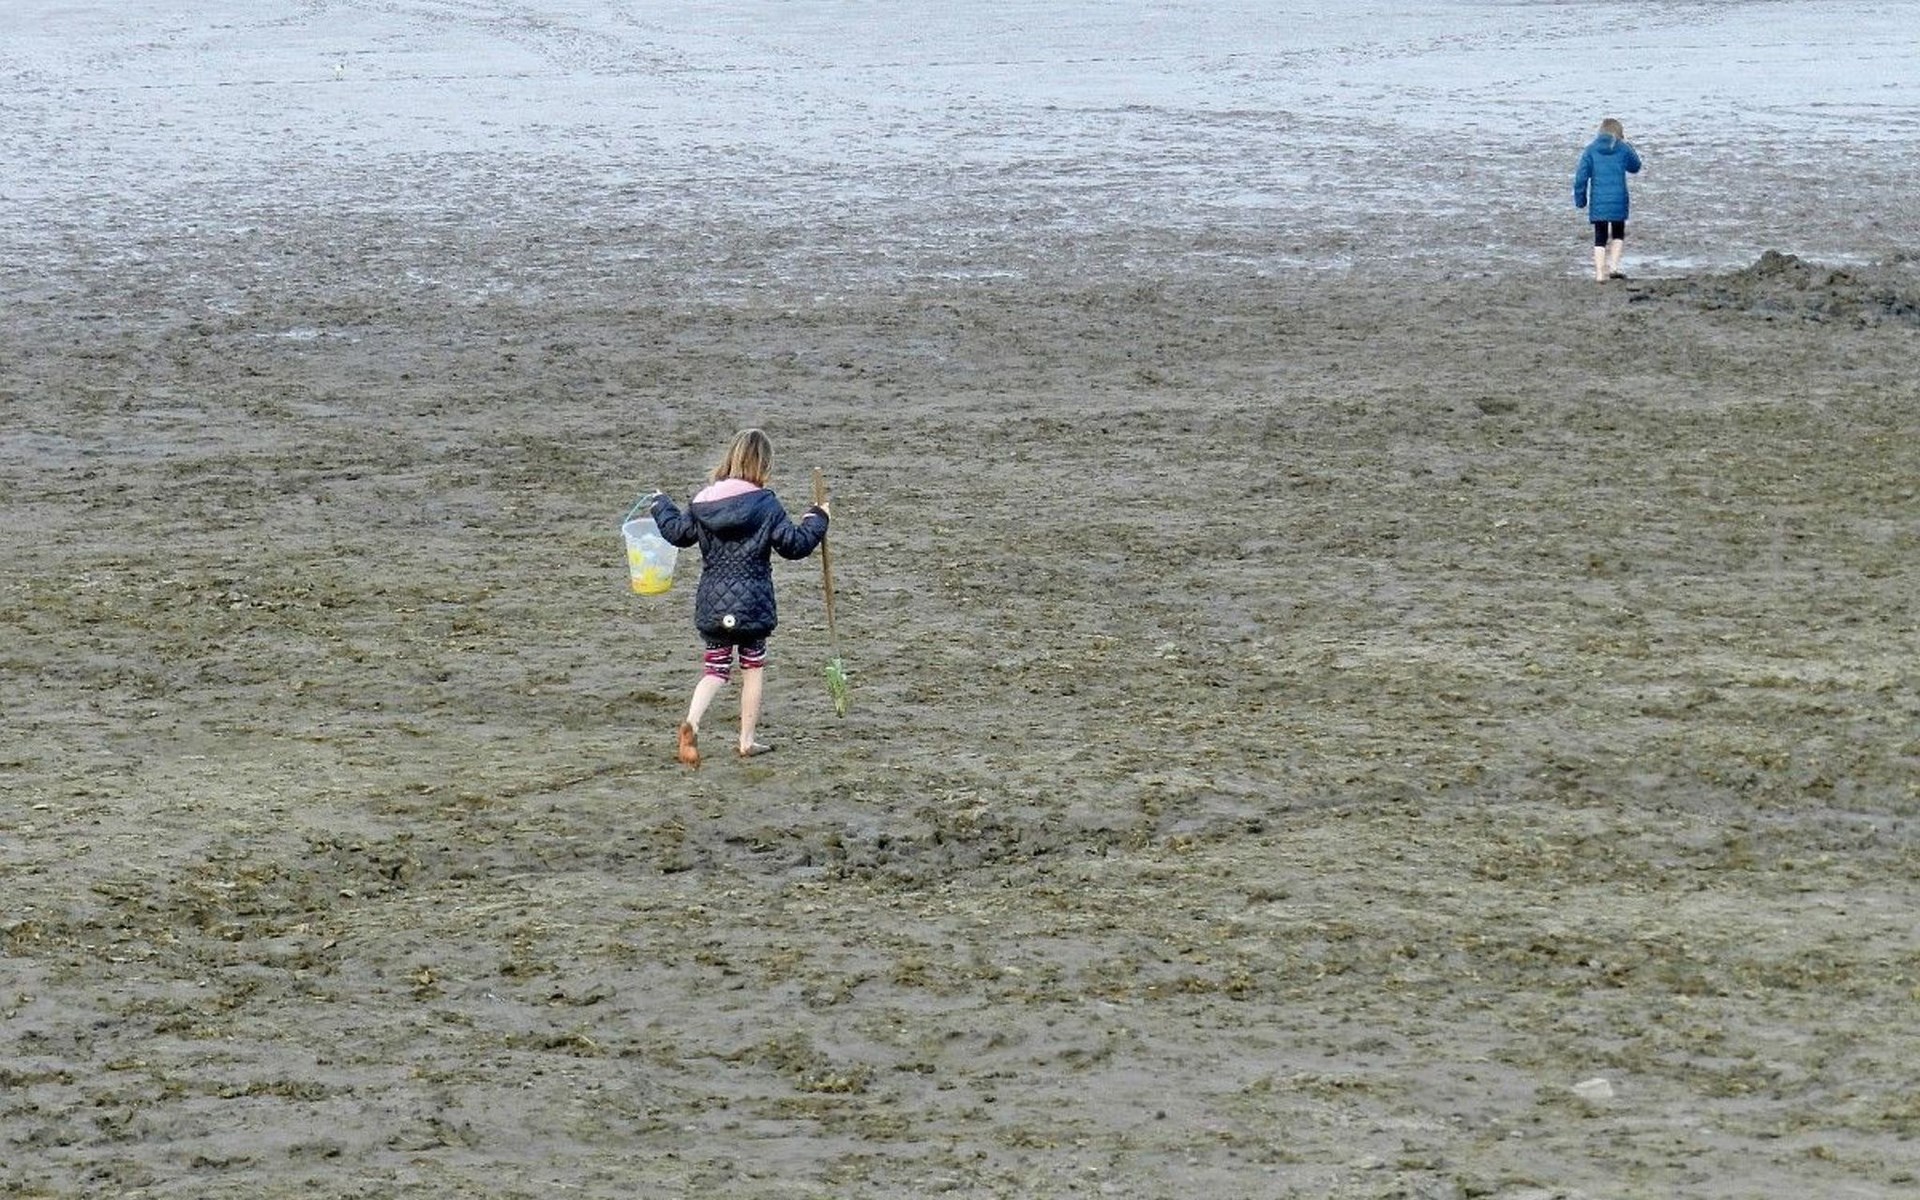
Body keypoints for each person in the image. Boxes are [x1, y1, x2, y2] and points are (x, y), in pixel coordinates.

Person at [648, 429, 829, 767]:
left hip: (713, 602)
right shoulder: (766, 504)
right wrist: (818, 518)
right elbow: (794, 545)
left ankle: (692, 722)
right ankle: (746, 740)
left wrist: (661, 504)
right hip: (752, 605)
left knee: (715, 670)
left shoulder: (703, 501)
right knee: (752, 669)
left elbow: (677, 533)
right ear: (763, 465)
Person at [1572, 117, 1644, 283]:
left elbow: (1580, 178)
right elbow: (1635, 167)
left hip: (1599, 201)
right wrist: (1629, 146)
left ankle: (1599, 274)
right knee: (1618, 233)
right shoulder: (1623, 148)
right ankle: (1614, 268)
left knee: (1600, 236)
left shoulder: (1590, 150)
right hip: (1619, 199)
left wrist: (1580, 200)